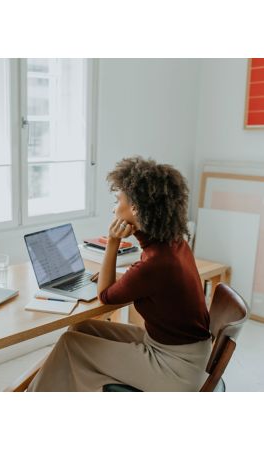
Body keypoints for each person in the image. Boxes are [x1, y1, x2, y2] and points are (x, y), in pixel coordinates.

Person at [27, 156, 212, 392]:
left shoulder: (155, 264)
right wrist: (126, 275)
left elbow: (105, 295)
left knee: (71, 344)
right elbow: (150, 278)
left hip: (175, 368)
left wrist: (112, 241)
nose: (114, 209)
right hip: (185, 353)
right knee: (81, 329)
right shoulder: (173, 244)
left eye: (118, 200)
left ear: (135, 208)